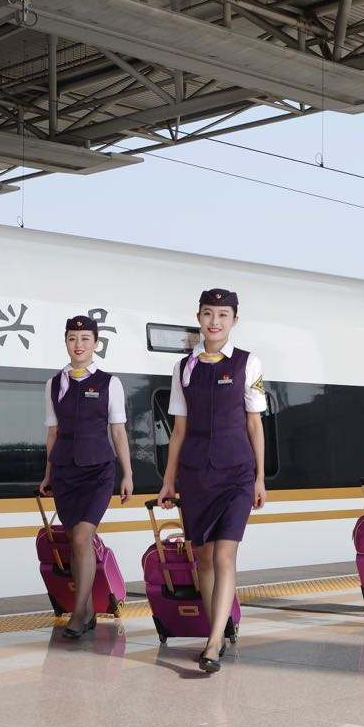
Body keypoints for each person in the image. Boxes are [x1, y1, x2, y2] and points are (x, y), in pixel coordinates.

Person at [157, 288, 267, 673]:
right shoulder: (183, 368)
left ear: (234, 320)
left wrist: (260, 478)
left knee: (223, 555)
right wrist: (168, 481)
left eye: (222, 315)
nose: (214, 321)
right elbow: (178, 430)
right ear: (198, 317)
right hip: (195, 474)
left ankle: (214, 639)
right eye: (208, 313)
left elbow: (255, 424)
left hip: (237, 473)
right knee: (202, 556)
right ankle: (218, 625)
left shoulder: (248, 364)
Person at [39, 315, 134, 639]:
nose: (78, 345)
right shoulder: (54, 384)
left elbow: (118, 432)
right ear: (66, 342)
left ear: (96, 343)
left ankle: (79, 612)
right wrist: (48, 473)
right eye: (72, 338)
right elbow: (52, 434)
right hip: (65, 472)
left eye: (84, 339)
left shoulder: (109, 383)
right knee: (74, 541)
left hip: (98, 472)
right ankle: (89, 610)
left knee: (82, 537)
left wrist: (127, 473)